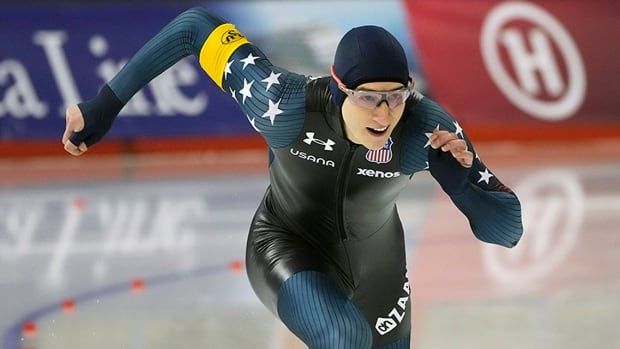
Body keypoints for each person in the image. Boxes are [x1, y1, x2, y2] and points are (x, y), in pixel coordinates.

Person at [62, 7, 523, 349]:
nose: (384, 113)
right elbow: (194, 28)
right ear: (340, 88)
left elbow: (507, 232)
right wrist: (104, 105)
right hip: (285, 246)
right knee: (343, 336)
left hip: (379, 269)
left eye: (396, 96)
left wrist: (461, 184)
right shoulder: (285, 106)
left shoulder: (426, 128)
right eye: (368, 98)